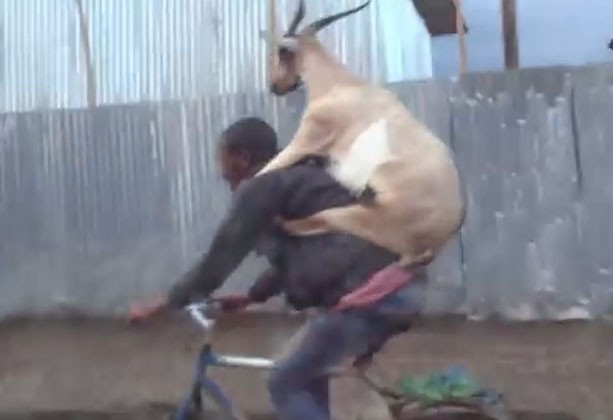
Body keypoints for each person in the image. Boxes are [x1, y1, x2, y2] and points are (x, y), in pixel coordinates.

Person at [130, 117, 429, 420]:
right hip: (397, 288)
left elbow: (219, 259)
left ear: (243, 158)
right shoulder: (301, 179)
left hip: (365, 295)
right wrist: (251, 296)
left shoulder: (265, 184)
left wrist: (165, 303)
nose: (225, 178)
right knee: (307, 373)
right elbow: (305, 255)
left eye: (226, 166)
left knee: (285, 382)